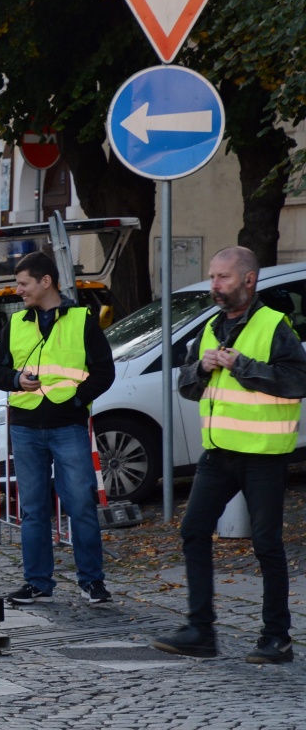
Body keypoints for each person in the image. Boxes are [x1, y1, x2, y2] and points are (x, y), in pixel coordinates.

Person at [152, 247, 306, 664]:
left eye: (222, 278)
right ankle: (201, 630)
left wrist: (241, 365)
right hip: (218, 453)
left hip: (262, 455)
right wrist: (200, 369)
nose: (214, 286)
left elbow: (297, 382)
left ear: (249, 280)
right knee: (193, 531)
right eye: (212, 277)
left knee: (267, 545)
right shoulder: (212, 327)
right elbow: (187, 386)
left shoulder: (274, 325)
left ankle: (277, 638)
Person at [0, 251, 116, 606]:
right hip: (25, 428)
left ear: (46, 281)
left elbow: (105, 372)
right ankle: (38, 582)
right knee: (33, 510)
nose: (18, 290)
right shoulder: (15, 323)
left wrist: (76, 400)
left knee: (81, 506)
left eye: (24, 283)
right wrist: (15, 379)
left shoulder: (81, 320)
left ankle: (92, 582)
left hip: (67, 426)